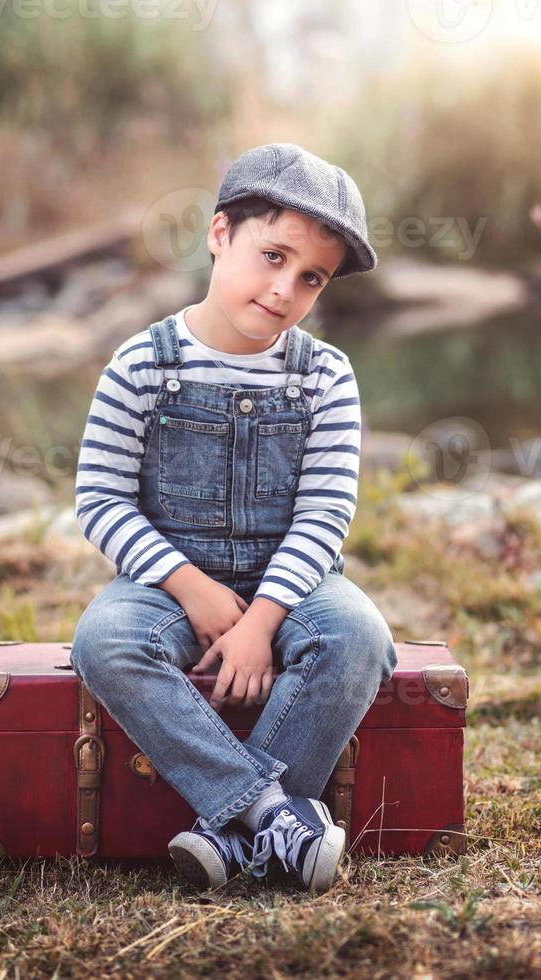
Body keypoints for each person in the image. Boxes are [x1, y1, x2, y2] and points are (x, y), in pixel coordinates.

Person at [69, 143, 397, 894]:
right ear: (220, 234)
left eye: (310, 277)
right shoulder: (141, 364)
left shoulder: (324, 376)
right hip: (166, 582)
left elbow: (323, 514)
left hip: (293, 583)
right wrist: (193, 589)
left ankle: (232, 828)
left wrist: (259, 623)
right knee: (105, 640)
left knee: (359, 637)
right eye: (272, 255)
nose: (284, 289)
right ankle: (276, 813)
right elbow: (101, 499)